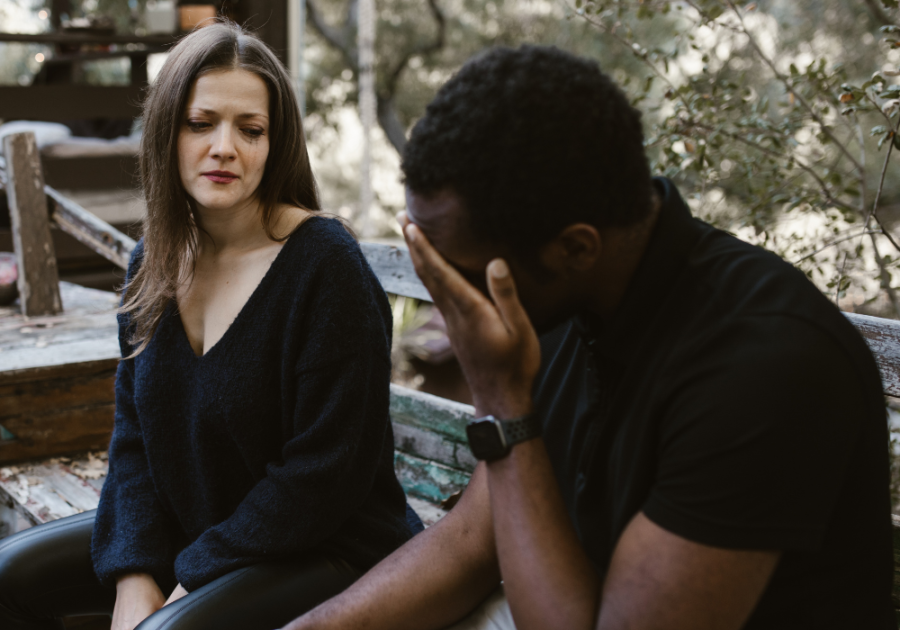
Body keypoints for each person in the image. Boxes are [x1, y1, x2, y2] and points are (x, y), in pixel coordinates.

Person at [284, 45, 895, 630]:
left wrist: (503, 401)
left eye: (460, 276)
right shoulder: (569, 297)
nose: (450, 303)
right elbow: (476, 537)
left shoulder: (765, 365)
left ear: (576, 247)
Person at [0, 21, 420, 630]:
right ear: (167, 131)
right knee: (8, 577)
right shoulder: (154, 261)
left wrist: (187, 582)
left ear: (275, 145)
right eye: (202, 124)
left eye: (250, 130)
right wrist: (134, 573)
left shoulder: (324, 267)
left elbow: (324, 476)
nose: (225, 147)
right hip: (199, 527)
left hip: (329, 548)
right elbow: (134, 440)